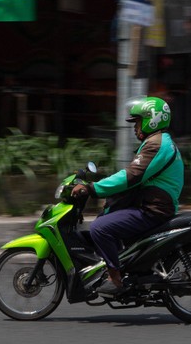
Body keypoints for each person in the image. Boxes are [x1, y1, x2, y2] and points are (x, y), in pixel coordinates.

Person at [71, 96, 184, 295]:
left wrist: (92, 188)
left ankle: (114, 278)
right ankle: (123, 266)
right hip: (151, 205)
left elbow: (130, 177)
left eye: (138, 122)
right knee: (106, 216)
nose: (134, 127)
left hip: (153, 210)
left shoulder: (156, 145)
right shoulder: (158, 142)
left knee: (99, 228)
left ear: (153, 119)